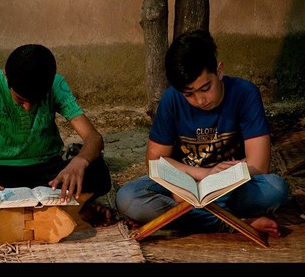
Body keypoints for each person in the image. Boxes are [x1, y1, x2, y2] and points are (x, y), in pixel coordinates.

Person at [116, 30, 288, 238]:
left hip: (230, 188)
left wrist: (218, 181)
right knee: (127, 198)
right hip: (184, 185)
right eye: (189, 94)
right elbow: (155, 162)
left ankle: (180, 218)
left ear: (219, 70)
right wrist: (204, 175)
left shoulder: (245, 93)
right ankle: (234, 223)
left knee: (275, 189)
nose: (200, 100)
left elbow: (259, 165)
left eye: (206, 88)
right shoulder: (171, 99)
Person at [0, 44, 113, 228]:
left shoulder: (56, 84)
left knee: (97, 170)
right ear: (6, 76)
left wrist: (80, 162)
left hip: (47, 174)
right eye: (21, 99)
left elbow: (94, 138)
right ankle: (71, 208)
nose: (28, 107)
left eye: (34, 101)